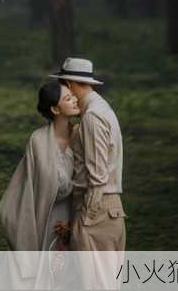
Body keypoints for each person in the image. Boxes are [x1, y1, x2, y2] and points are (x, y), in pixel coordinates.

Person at [0, 80, 81, 290]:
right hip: (44, 217)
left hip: (74, 215)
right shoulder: (38, 140)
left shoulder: (81, 135)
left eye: (73, 95)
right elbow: (32, 186)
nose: (75, 99)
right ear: (55, 109)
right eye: (68, 98)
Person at [49, 57, 127, 290]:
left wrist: (86, 218)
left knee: (92, 284)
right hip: (107, 209)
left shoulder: (92, 116)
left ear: (71, 84)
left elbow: (97, 176)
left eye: (63, 86)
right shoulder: (102, 109)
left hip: (96, 209)